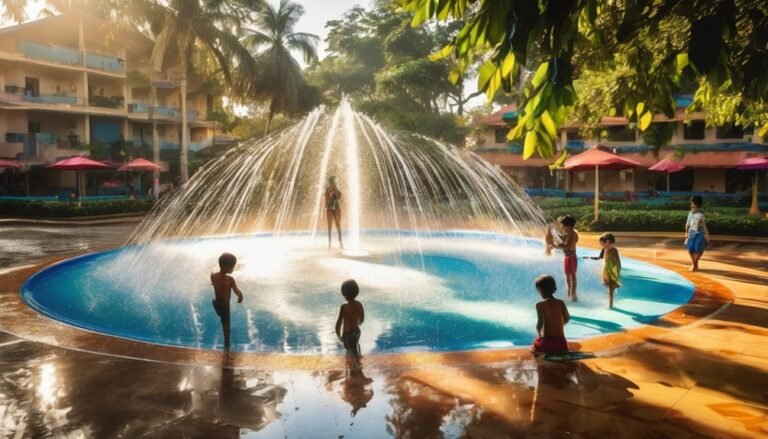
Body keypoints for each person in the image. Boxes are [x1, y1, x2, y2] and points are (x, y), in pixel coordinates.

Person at [210, 252, 244, 350]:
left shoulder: (213, 276)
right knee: (226, 326)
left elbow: (214, 284)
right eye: (233, 267)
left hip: (216, 304)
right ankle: (227, 344)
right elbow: (236, 291)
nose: (233, 268)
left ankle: (217, 309)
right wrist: (240, 296)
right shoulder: (230, 279)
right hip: (225, 306)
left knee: (221, 315)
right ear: (228, 267)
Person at [530, 274, 570, 355]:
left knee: (533, 347)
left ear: (540, 290)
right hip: (561, 344)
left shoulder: (539, 304)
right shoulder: (561, 303)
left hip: (547, 344)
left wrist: (539, 335)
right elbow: (567, 318)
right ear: (554, 289)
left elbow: (539, 324)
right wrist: (560, 324)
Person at [585, 233, 622, 308]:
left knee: (611, 288)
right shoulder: (604, 249)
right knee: (608, 286)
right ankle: (609, 302)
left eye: (602, 244)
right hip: (606, 269)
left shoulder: (614, 250)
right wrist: (589, 258)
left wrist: (616, 272)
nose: (602, 246)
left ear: (607, 242)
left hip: (611, 270)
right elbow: (600, 258)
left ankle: (610, 305)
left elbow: (617, 262)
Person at [335, 279, 365, 368]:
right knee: (354, 346)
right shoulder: (359, 304)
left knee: (350, 351)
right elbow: (362, 320)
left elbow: (338, 324)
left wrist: (339, 337)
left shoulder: (343, 307)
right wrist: (357, 321)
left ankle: (356, 366)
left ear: (344, 293)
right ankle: (357, 359)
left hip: (348, 335)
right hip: (357, 331)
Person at [554, 215, 579, 301]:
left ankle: (573, 294)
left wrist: (557, 245)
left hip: (571, 257)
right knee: (568, 276)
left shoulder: (572, 233)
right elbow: (565, 242)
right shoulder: (570, 233)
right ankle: (570, 292)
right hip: (568, 256)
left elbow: (566, 246)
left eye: (562, 225)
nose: (562, 227)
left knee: (572, 276)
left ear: (567, 226)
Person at [685, 195, 710, 272]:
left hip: (699, 233)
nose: (691, 205)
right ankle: (695, 264)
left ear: (698, 205)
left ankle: (694, 264)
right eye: (691, 203)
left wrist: (707, 235)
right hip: (691, 233)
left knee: (699, 250)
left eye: (693, 204)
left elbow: (704, 226)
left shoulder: (701, 215)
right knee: (690, 250)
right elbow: (687, 224)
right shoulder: (690, 213)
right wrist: (686, 233)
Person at [325, 176, 343, 249]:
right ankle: (329, 243)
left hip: (337, 209)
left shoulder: (337, 190)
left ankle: (340, 242)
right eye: (332, 183)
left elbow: (338, 197)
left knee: (338, 224)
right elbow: (327, 197)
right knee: (329, 226)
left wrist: (335, 191)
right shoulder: (327, 190)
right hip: (329, 209)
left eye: (334, 183)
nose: (333, 184)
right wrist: (330, 190)